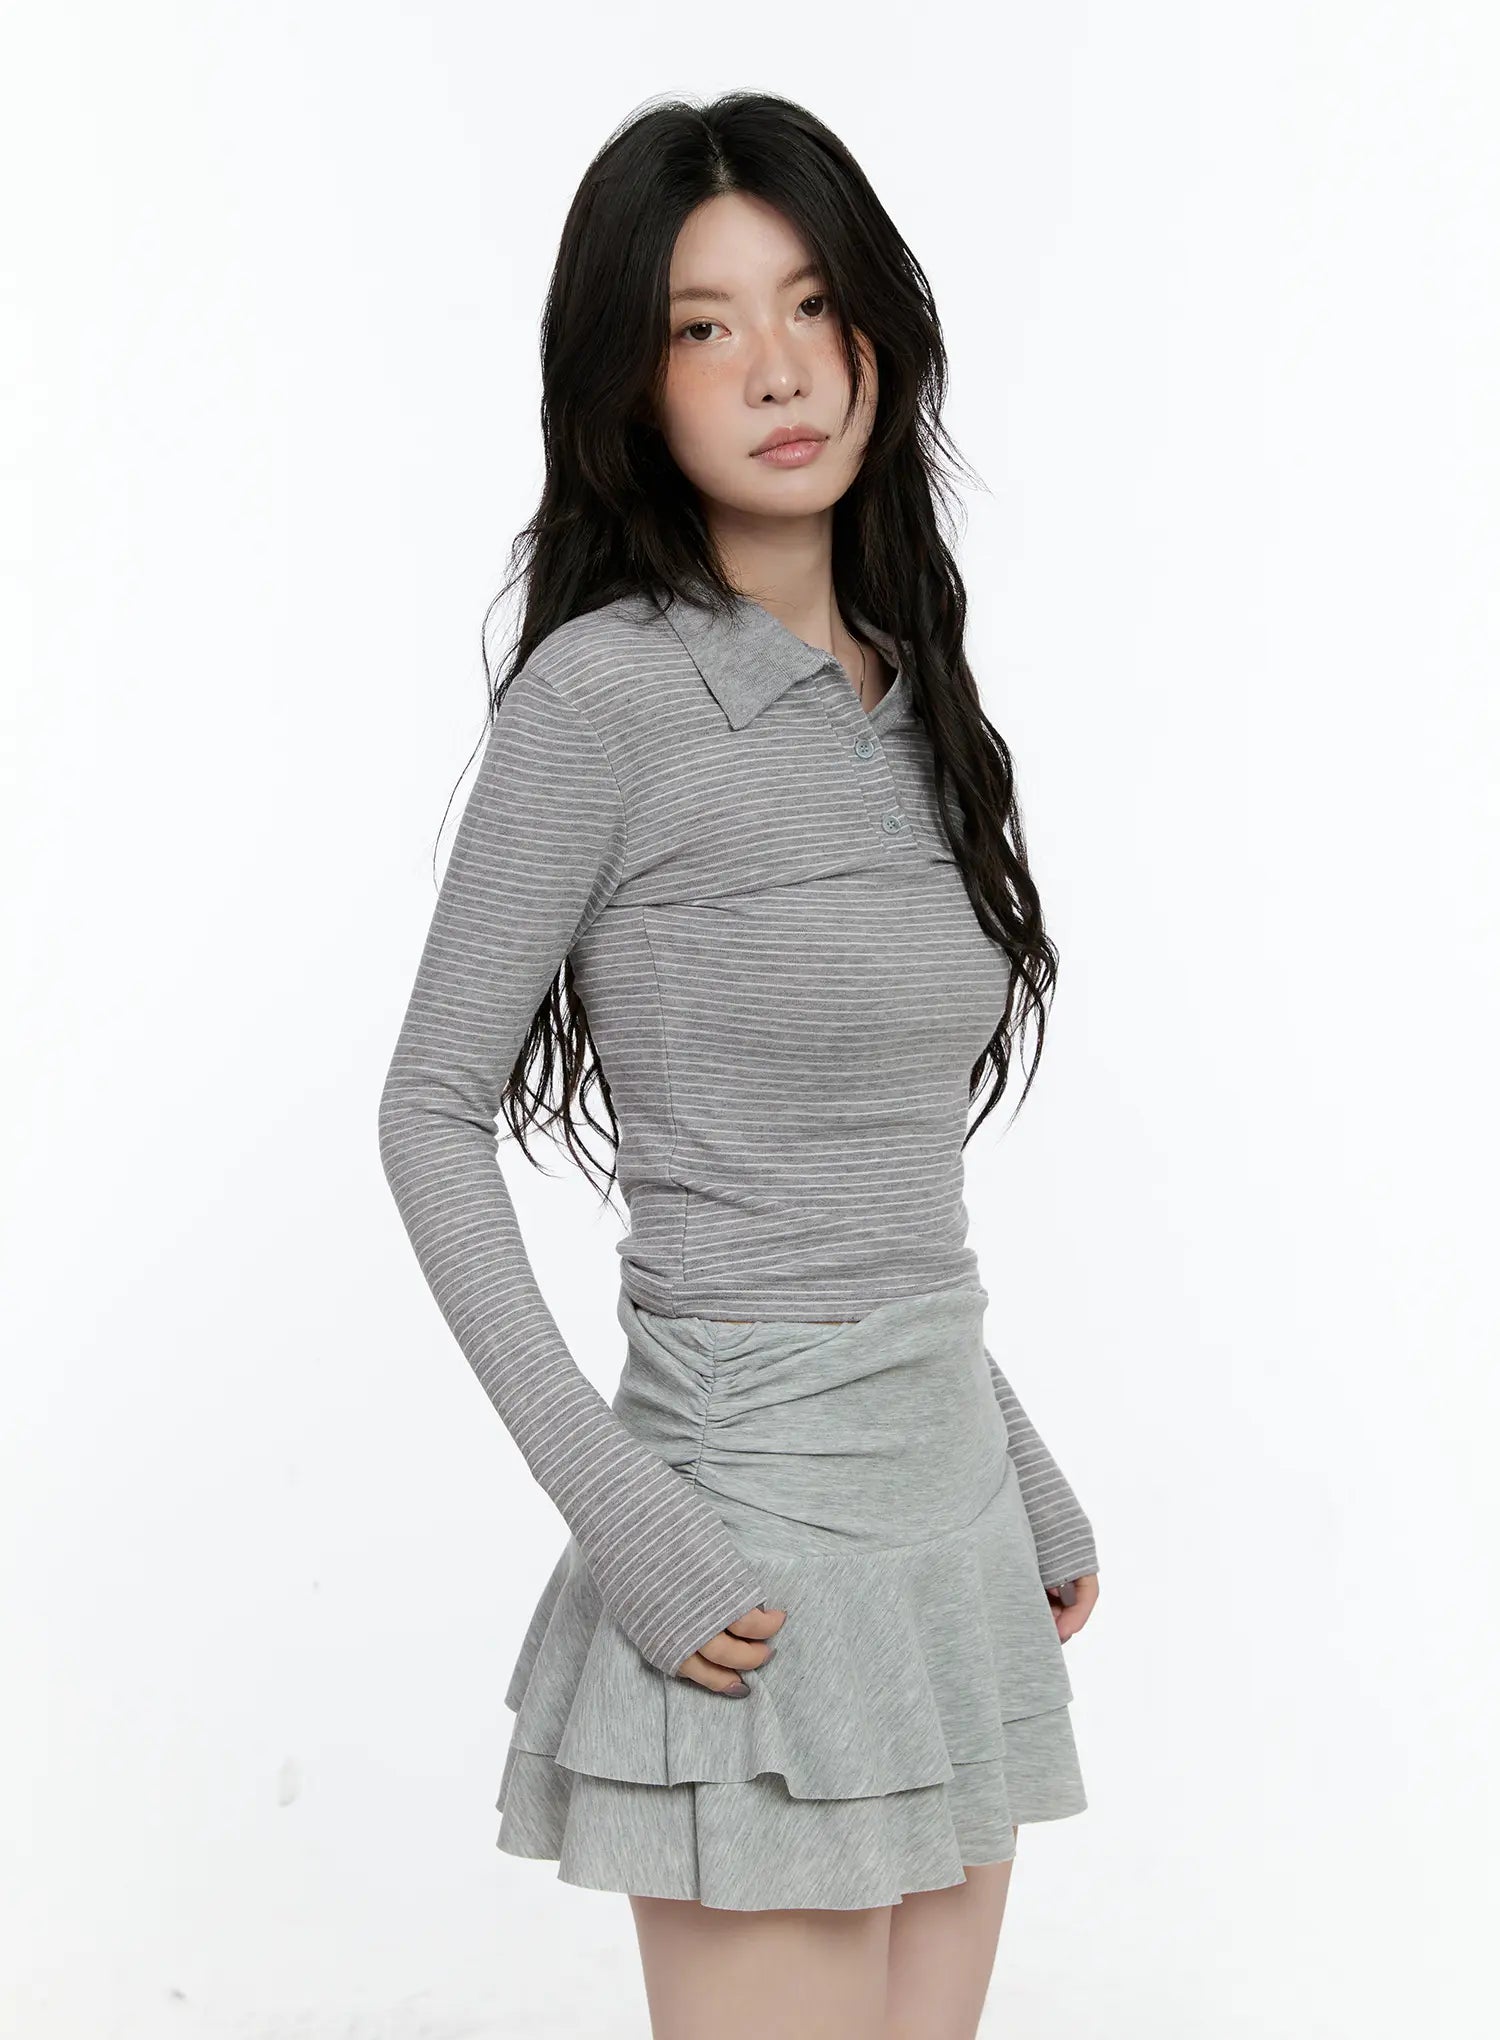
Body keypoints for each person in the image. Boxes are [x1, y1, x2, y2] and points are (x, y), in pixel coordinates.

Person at [377, 89, 1100, 2040]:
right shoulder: (606, 696)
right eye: (704, 325)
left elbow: (866, 1181)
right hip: (746, 1549)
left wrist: (1017, 1467)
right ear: (634, 382)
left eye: (809, 304)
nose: (776, 368)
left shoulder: (913, 696)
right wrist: (626, 1520)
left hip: (950, 1536)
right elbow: (427, 1116)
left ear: (878, 332)